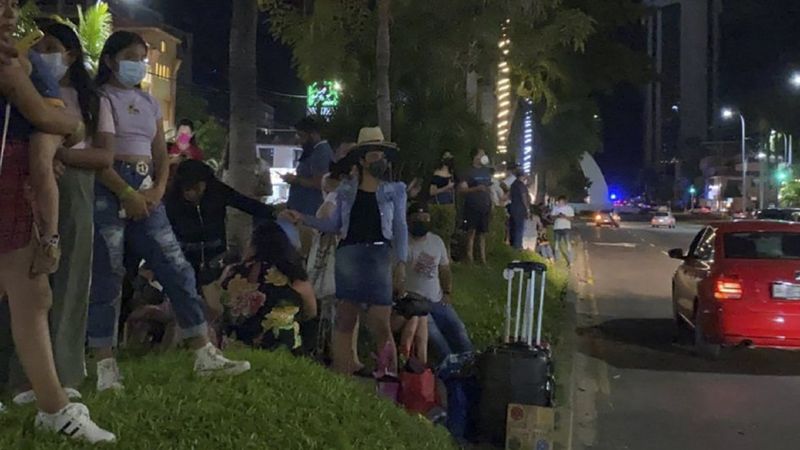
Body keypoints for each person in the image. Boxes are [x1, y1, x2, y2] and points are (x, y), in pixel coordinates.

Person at [88, 31, 249, 392]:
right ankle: (105, 365)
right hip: (112, 185)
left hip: (148, 186)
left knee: (175, 267)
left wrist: (158, 188)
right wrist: (126, 191)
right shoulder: (99, 98)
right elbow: (99, 156)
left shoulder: (147, 102)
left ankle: (203, 350)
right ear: (111, 60)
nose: (139, 64)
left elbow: (160, 151)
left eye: (143, 57)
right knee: (107, 273)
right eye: (132, 57)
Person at [0, 0, 114, 442]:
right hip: (14, 183)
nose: (8, 14)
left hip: (13, 187)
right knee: (31, 296)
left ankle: (53, 405)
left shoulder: (20, 63)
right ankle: (52, 406)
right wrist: (51, 124)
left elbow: (67, 125)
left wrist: (49, 132)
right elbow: (52, 118)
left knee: (32, 295)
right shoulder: (16, 68)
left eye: (10, 5)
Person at [289, 126, 407, 376]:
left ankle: (389, 378)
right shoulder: (345, 190)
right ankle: (343, 372)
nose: (381, 160)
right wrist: (303, 218)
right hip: (349, 254)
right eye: (375, 155)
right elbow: (334, 226)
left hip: (378, 255)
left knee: (380, 321)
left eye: (382, 155)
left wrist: (401, 262)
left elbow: (400, 227)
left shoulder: (395, 190)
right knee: (345, 318)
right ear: (363, 159)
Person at [165, 159, 275, 287]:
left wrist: (274, 213)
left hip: (216, 257)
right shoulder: (172, 200)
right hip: (185, 259)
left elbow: (245, 203)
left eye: (198, 187)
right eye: (188, 189)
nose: (193, 193)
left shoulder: (217, 191)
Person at [217, 221, 317, 350]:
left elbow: (219, 307)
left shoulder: (232, 273)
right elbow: (311, 312)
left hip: (236, 345)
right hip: (283, 348)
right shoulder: (294, 275)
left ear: (253, 245)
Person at [405, 202, 472, 361]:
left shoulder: (436, 241)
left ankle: (471, 363)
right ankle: (449, 368)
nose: (421, 221)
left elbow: (444, 269)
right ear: (408, 220)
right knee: (435, 337)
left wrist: (447, 292)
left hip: (437, 298)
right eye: (417, 218)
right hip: (416, 303)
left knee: (458, 329)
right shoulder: (401, 243)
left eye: (425, 218)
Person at [284, 116, 333, 255]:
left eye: (301, 135)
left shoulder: (321, 152)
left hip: (308, 214)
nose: (299, 139)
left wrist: (295, 180)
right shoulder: (315, 151)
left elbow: (320, 183)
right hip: (302, 212)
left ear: (313, 134)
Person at [458, 148, 493, 264]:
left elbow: (489, 188)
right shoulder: (468, 172)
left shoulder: (486, 172)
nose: (484, 156)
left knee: (483, 233)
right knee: (471, 232)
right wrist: (476, 189)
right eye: (481, 154)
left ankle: (483, 259)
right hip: (472, 205)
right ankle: (469, 258)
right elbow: (462, 190)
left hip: (485, 206)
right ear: (475, 157)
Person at [508, 169, 531, 250]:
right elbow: (524, 197)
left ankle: (512, 244)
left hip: (513, 207)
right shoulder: (521, 185)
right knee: (519, 227)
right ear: (523, 176)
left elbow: (509, 196)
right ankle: (518, 246)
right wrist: (527, 209)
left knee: (513, 227)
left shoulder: (513, 184)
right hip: (520, 208)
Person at [551, 195, 575, 266]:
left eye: (561, 202)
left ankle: (570, 261)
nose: (560, 203)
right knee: (556, 245)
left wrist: (565, 216)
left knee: (568, 244)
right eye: (559, 202)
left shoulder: (569, 208)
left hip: (566, 228)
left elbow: (572, 218)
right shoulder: (555, 208)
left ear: (565, 202)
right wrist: (557, 216)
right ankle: (556, 260)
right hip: (557, 228)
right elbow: (552, 217)